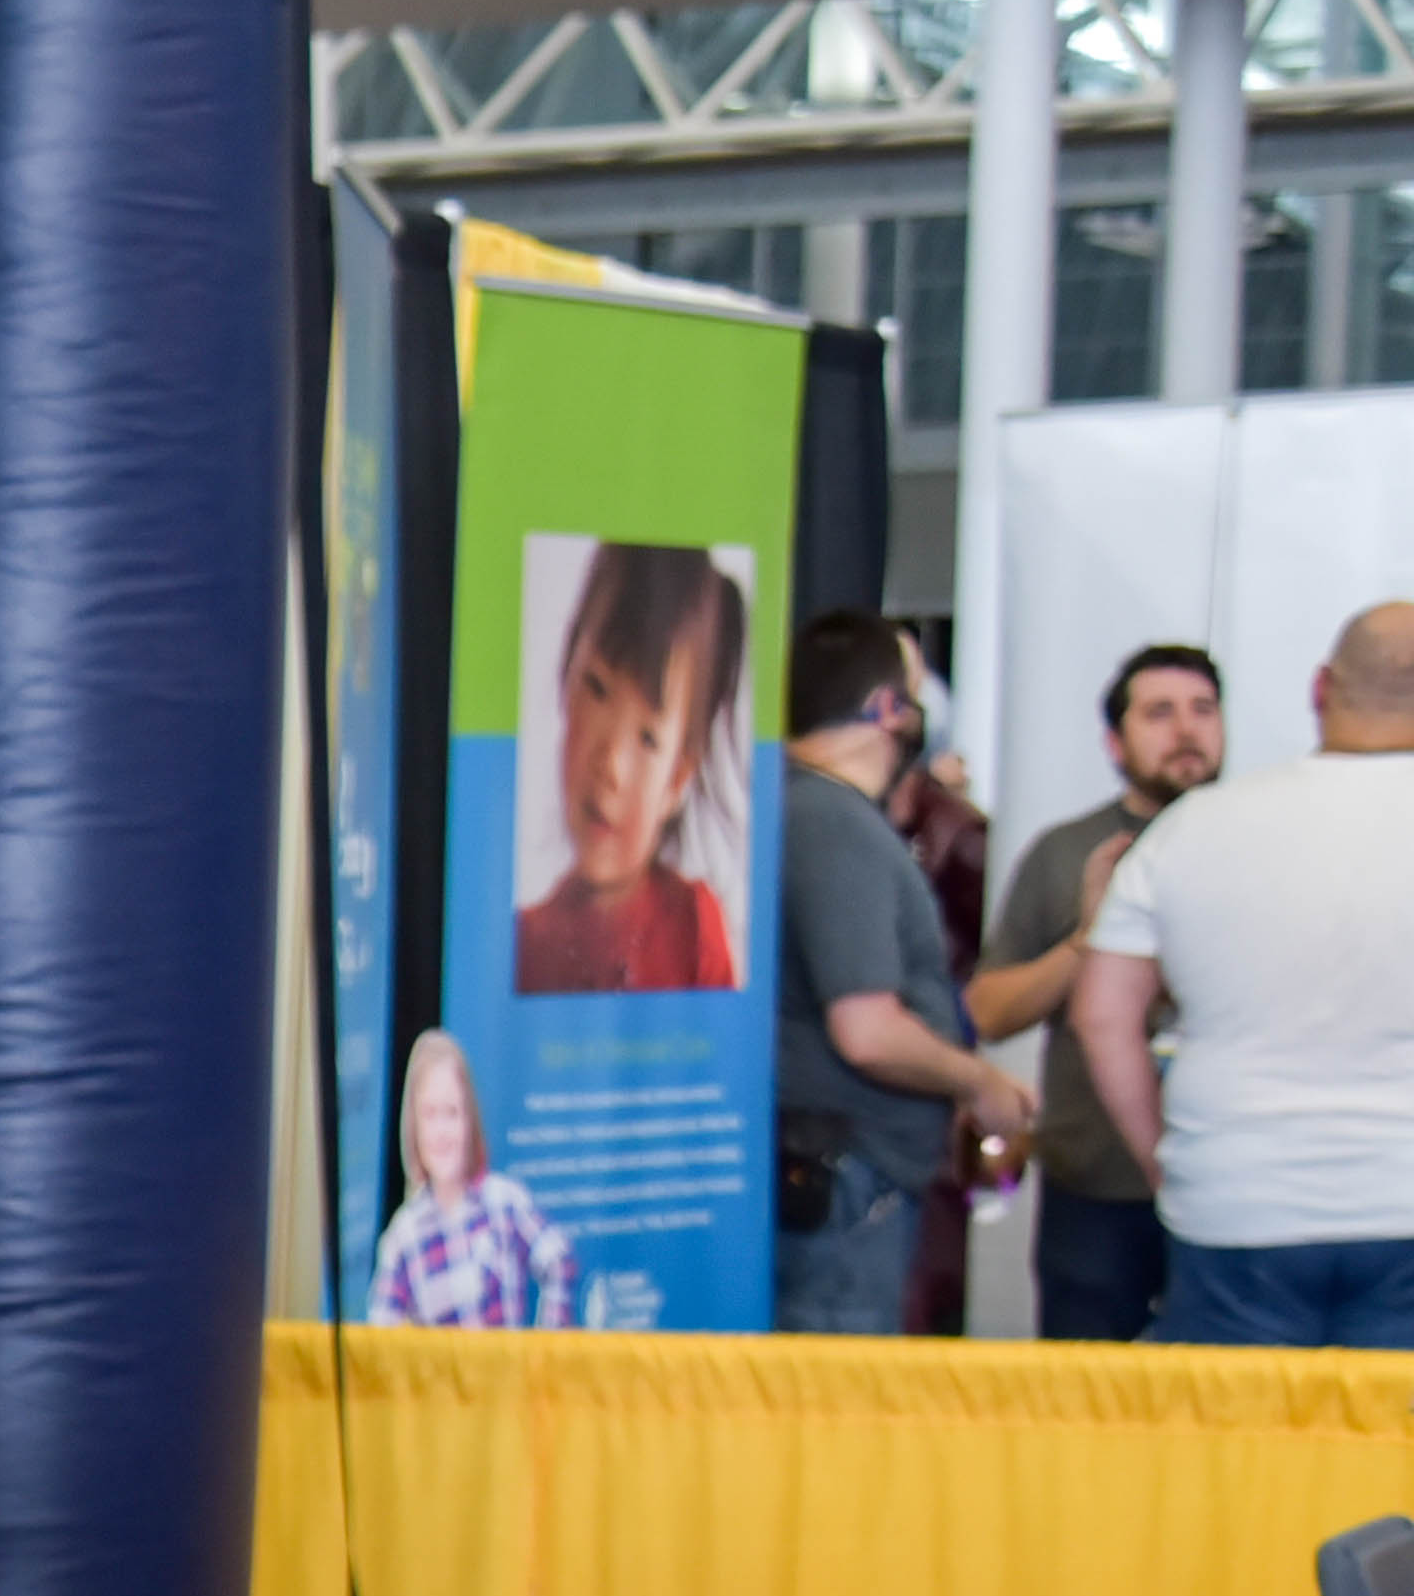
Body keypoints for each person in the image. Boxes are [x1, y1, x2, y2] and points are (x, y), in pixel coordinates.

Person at [1072, 601, 1414, 1352]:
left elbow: (1102, 1016)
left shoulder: (1191, 827)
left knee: (1241, 1454)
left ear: (1321, 689)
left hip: (1237, 1200)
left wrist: (1166, 1162)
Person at [770, 608, 1028, 1335]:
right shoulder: (835, 826)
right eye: (916, 689)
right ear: (887, 709)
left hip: (843, 1176)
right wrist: (981, 1081)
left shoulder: (811, 812)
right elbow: (867, 1031)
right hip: (848, 1187)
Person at [979, 642, 1222, 1344]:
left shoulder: (1257, 843)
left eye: (1203, 710)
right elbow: (991, 1012)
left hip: (1228, 1184)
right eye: (1160, 713)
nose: (1186, 730)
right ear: (1115, 742)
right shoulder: (1066, 853)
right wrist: (1089, 935)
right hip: (1094, 1188)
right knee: (1093, 1404)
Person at [511, 542, 747, 997]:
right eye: (596, 688)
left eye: (648, 739)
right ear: (566, 687)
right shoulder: (520, 943)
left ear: (677, 781)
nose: (611, 766)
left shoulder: (693, 926)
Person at [364, 1026, 572, 1330]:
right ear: (414, 1127)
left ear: (469, 1120)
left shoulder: (505, 1203)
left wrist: (545, 1356)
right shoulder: (402, 1239)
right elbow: (378, 1345)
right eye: (430, 1114)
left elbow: (559, 1260)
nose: (441, 1131)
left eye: (452, 1113)